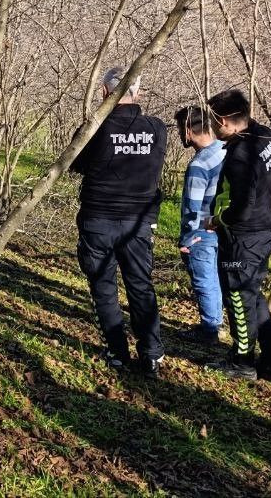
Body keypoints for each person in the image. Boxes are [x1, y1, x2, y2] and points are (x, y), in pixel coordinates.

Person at [69, 68, 168, 377]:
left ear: (103, 92)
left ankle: (117, 353)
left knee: (104, 289)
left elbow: (76, 163)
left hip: (98, 220)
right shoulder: (157, 128)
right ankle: (151, 354)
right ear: (137, 93)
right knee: (140, 286)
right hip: (138, 224)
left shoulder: (94, 128)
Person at [205, 89, 271, 381]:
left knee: (239, 299)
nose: (212, 126)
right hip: (265, 230)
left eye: (215, 120)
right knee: (253, 296)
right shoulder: (264, 135)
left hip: (245, 237)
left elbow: (241, 207)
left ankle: (242, 362)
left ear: (226, 121)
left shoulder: (241, 155)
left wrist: (217, 220)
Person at [174, 105, 227, 346]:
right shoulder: (225, 151)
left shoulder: (199, 165)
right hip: (223, 227)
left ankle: (209, 329)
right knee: (215, 278)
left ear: (187, 130)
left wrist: (188, 237)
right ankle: (215, 322)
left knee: (204, 280)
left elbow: (192, 208)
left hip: (203, 231)